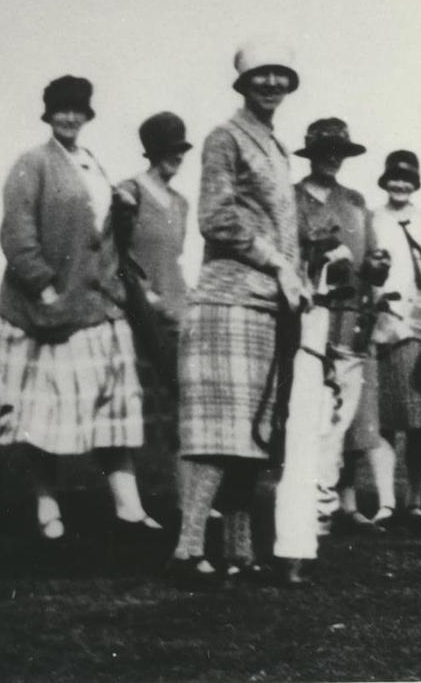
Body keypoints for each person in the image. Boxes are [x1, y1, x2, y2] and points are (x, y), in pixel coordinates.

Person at [0, 74, 161, 542]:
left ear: (87, 114)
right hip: (47, 312)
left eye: (77, 109)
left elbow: (102, 234)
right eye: (61, 109)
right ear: (49, 113)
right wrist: (42, 286)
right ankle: (47, 508)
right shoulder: (33, 163)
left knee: (115, 408)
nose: (70, 117)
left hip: (97, 304)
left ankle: (130, 507)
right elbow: (16, 233)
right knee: (48, 415)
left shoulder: (91, 164)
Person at [168, 38, 307, 589]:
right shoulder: (224, 138)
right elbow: (216, 218)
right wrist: (279, 263)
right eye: (261, 75)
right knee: (216, 435)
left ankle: (240, 552)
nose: (271, 83)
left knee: (252, 436)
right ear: (243, 83)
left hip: (267, 304)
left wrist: (294, 272)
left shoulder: (275, 146)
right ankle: (187, 550)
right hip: (227, 299)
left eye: (280, 75)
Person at [288, 118, 376, 533]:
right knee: (309, 414)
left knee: (340, 419)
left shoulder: (356, 203)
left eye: (338, 151)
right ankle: (306, 504)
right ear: (312, 154)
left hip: (351, 323)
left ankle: (322, 504)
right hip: (306, 322)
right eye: (325, 150)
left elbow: (370, 262)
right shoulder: (291, 200)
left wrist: (377, 267)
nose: (332, 158)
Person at [365, 150, 421, 528]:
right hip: (383, 328)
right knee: (383, 420)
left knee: (417, 423)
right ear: (385, 181)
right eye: (394, 178)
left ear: (416, 184)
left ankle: (414, 499)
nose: (400, 185)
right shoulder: (372, 220)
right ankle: (385, 500)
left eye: (407, 179)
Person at [115, 112, 192, 440]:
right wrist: (145, 297)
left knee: (184, 410)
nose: (176, 156)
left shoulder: (181, 203)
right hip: (139, 315)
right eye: (167, 149)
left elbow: (172, 260)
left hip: (177, 315)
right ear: (151, 151)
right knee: (145, 413)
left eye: (180, 149)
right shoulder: (128, 193)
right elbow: (113, 256)